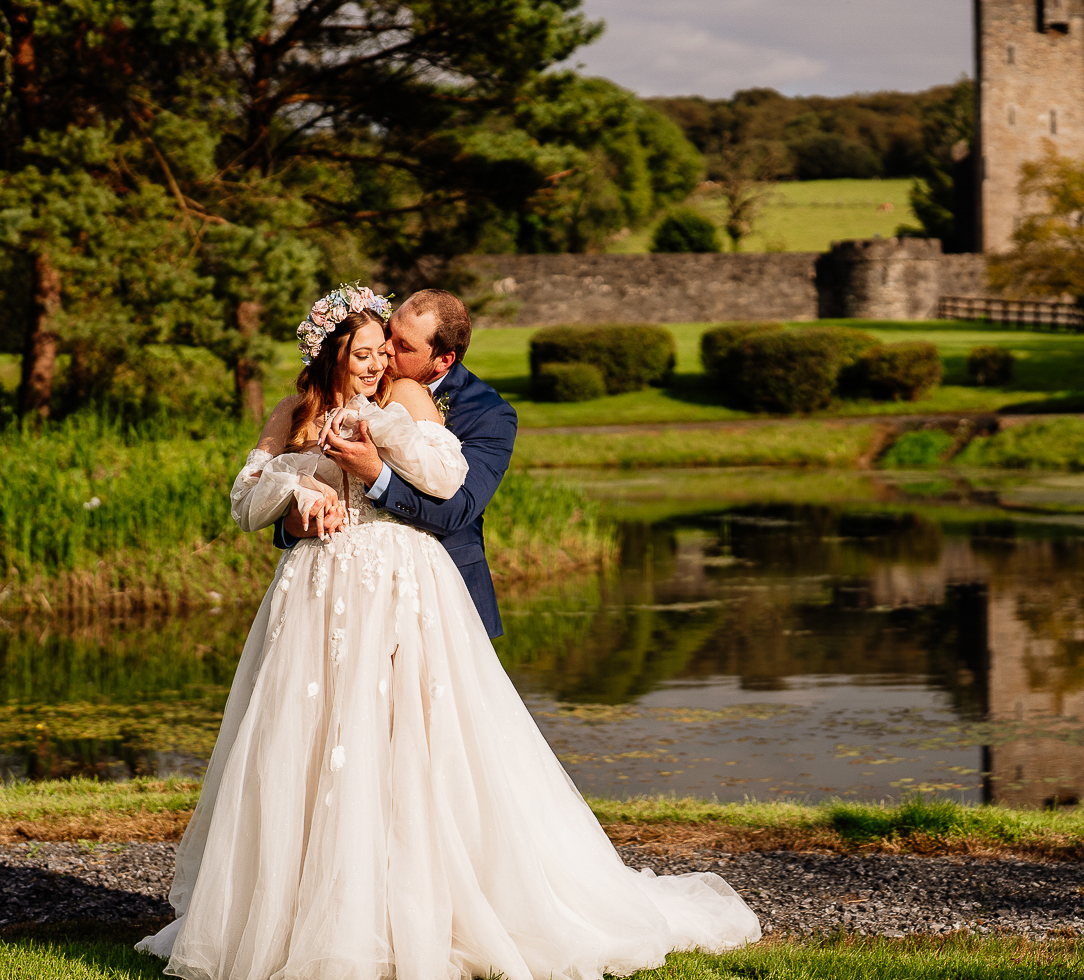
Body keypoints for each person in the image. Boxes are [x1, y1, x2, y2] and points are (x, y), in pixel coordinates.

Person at [137, 285, 759, 979]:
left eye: (393, 349)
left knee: (419, 757)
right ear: (329, 351)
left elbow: (452, 493)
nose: (382, 362)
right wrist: (295, 501)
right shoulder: (294, 411)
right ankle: (304, 915)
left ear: (442, 355)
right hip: (316, 599)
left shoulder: (432, 404)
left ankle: (430, 911)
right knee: (311, 747)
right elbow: (250, 500)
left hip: (406, 592)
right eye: (369, 350)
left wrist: (373, 461)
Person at [279, 289, 513, 637]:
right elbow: (295, 492)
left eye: (403, 346)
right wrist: (297, 522)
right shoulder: (345, 392)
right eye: (390, 332)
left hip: (446, 602)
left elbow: (457, 510)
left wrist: (374, 472)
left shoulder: (488, 414)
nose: (386, 348)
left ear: (444, 360)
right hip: (346, 598)